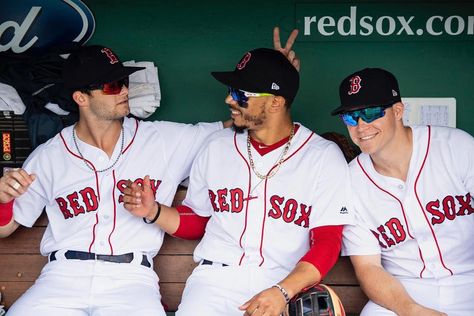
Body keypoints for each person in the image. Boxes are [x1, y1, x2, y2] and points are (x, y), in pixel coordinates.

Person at [0, 28, 300, 316]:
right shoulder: (48, 156)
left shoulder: (163, 139)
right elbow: (6, 227)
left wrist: (275, 80)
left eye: (124, 82)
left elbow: (242, 122)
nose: (124, 91)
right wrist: (2, 200)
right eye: (112, 86)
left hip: (130, 282)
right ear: (81, 97)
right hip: (61, 278)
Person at [123, 47, 353, 316]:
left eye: (241, 94)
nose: (229, 100)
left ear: (275, 103)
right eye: (232, 90)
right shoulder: (216, 146)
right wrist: (153, 212)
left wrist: (283, 291)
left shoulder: (322, 156)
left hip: (281, 281)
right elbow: (198, 219)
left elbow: (328, 241)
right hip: (213, 282)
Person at [332, 67, 474, 316]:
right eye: (351, 117)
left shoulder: (456, 147)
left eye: (372, 112)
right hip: (404, 293)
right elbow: (369, 267)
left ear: (398, 110)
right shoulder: (350, 181)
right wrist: (410, 310)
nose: (361, 125)